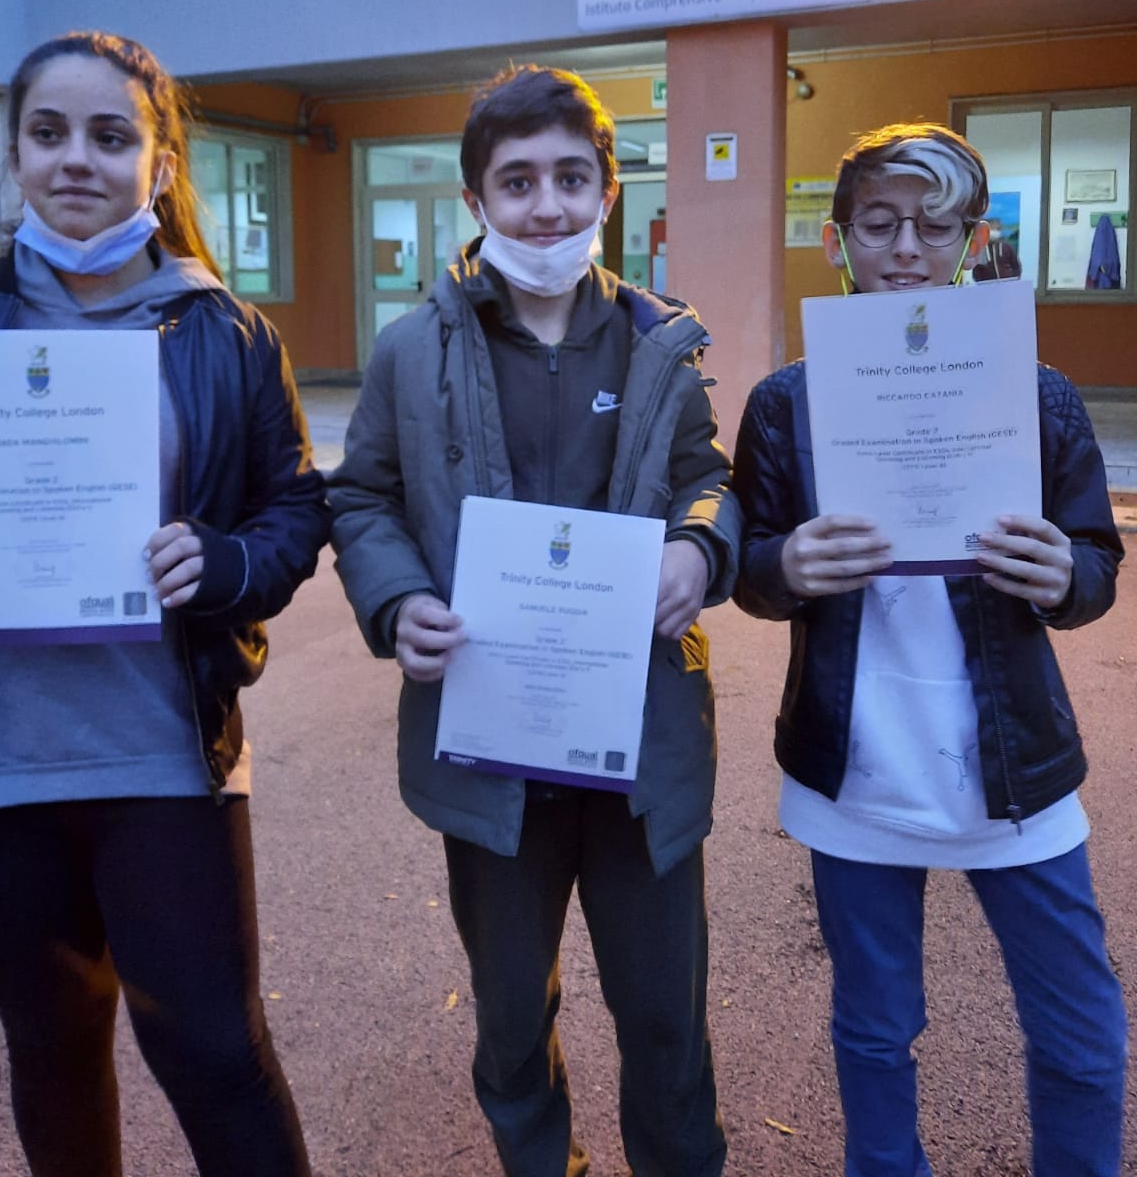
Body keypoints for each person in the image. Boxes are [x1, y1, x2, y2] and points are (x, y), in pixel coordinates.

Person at [329, 66, 739, 1177]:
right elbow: (361, 497)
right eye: (517, 182)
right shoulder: (411, 348)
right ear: (476, 199)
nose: (546, 205)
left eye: (570, 177)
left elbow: (708, 480)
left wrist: (700, 547)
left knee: (665, 1020)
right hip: (488, 741)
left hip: (639, 741)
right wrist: (397, 599)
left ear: (607, 188)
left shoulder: (661, 341)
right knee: (511, 1019)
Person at [0, 32, 329, 1177]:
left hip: (165, 757)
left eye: (111, 136)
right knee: (53, 1047)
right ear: (15, 155)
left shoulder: (229, 331)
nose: (77, 158)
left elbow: (292, 509)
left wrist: (228, 564)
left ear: (159, 164)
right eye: (49, 133)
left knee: (216, 1054)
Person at [731, 122, 1127, 1177]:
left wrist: (1066, 576)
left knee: (1083, 1034)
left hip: (1014, 757)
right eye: (879, 224)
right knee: (874, 1028)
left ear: (973, 241)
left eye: (934, 226)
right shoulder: (784, 403)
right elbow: (751, 568)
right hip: (853, 761)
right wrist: (786, 566)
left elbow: (1095, 559)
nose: (907, 247)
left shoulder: (1036, 392)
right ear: (837, 239)